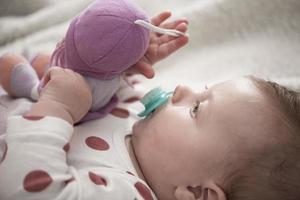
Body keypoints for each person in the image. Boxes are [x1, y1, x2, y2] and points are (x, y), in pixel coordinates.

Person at [1, 15, 300, 200]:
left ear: (199, 193)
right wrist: (121, 68)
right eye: (203, 90)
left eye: (196, 109)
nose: (183, 88)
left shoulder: (126, 192)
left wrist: (58, 107)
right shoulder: (135, 115)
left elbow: (27, 190)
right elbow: (97, 92)